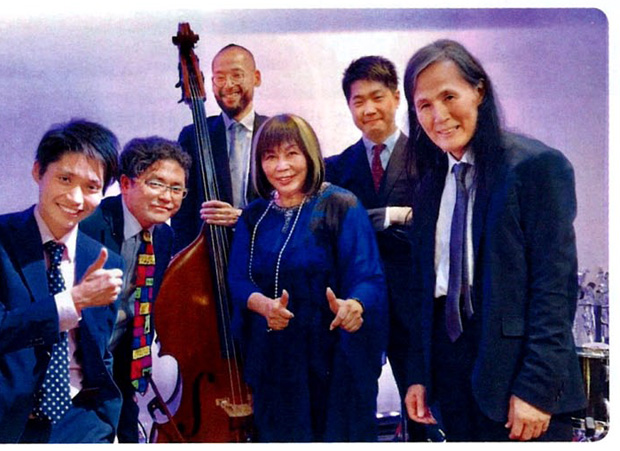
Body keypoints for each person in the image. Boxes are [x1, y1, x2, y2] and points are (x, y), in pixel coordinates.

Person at [402, 39, 586, 441]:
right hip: (451, 380)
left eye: (449, 96)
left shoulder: (534, 167)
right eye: (424, 105)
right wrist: (419, 374)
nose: (439, 116)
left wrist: (535, 389)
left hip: (519, 383)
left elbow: (554, 289)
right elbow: (424, 293)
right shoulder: (430, 185)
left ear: (479, 91)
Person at [0, 119, 125, 443]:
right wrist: (74, 301)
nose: (76, 198)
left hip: (80, 423)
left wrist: (105, 424)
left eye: (91, 187)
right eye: (65, 179)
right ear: (38, 171)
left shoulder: (107, 260)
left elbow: (99, 351)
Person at [228, 114, 388, 441]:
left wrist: (354, 305)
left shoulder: (341, 204)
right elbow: (238, 279)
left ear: (310, 155)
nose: (281, 166)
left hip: (333, 357)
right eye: (270, 156)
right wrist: (263, 306)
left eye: (292, 154)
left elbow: (369, 276)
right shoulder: (254, 215)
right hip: (275, 359)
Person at [324, 56, 425, 441]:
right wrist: (398, 217)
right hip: (358, 305)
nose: (368, 109)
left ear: (397, 97)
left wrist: (371, 221)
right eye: (358, 100)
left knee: (424, 410)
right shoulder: (336, 168)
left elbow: (431, 231)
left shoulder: (428, 158)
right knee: (355, 412)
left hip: (413, 304)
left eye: (377, 97)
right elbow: (333, 234)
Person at [81, 136, 191, 442]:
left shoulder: (164, 235)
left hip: (122, 361)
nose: (167, 197)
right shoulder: (87, 226)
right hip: (79, 364)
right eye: (156, 184)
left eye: (177, 189)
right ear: (126, 183)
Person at [173, 44, 268, 252]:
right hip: (208, 254)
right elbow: (183, 213)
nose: (228, 85)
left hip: (265, 252)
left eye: (236, 75)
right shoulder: (192, 136)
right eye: (220, 78)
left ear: (256, 78)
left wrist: (243, 218)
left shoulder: (275, 133)